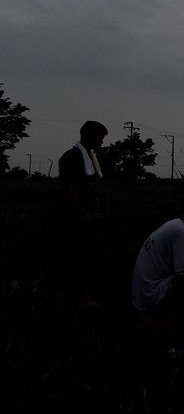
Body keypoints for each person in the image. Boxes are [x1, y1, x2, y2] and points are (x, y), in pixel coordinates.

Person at [57, 120, 108, 308]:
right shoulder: (73, 158)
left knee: (89, 257)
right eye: (100, 137)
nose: (102, 141)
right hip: (77, 218)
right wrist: (83, 213)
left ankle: (85, 294)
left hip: (90, 215)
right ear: (91, 136)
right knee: (78, 258)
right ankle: (79, 297)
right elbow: (68, 191)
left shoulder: (89, 157)